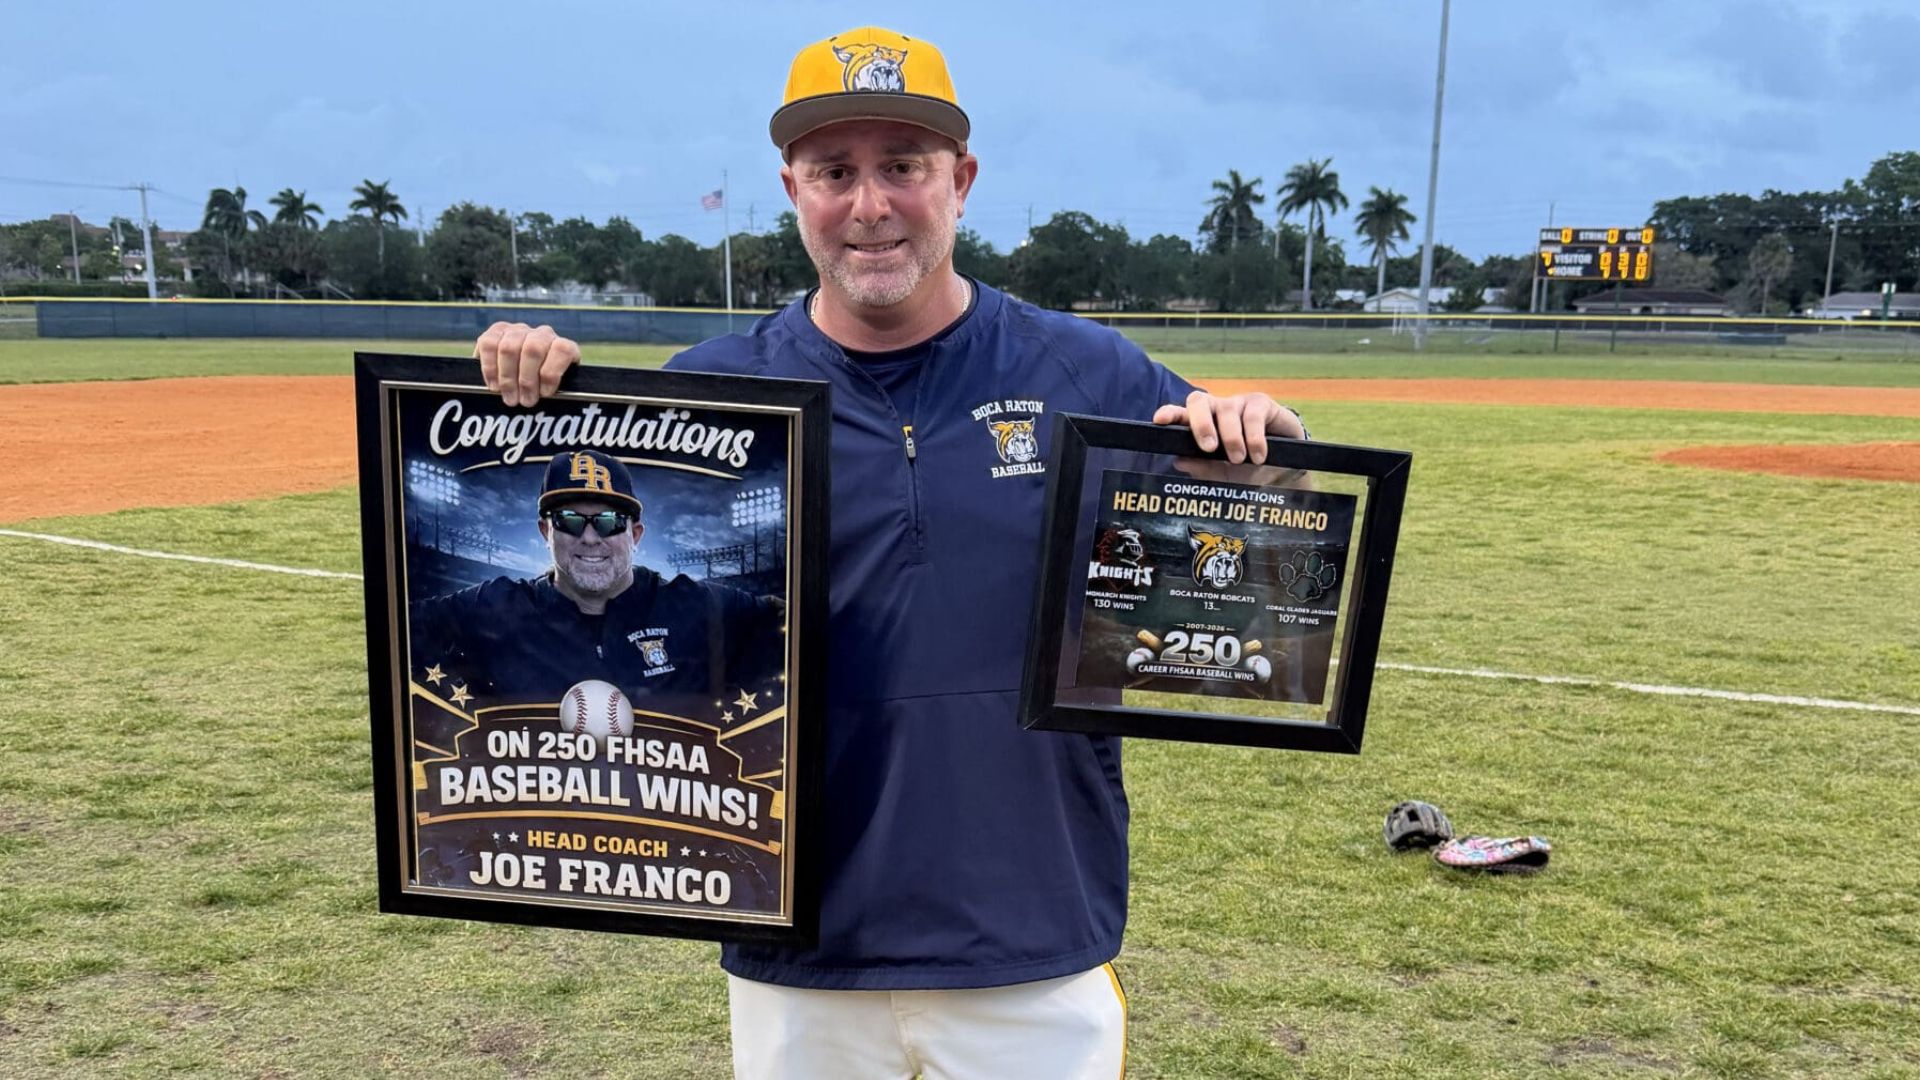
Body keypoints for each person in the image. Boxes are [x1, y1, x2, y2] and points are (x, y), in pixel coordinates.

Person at [473, 26, 1307, 1079]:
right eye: (834, 171)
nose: (869, 204)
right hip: (800, 942)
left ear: (961, 181)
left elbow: (1263, 559)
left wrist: (1270, 458)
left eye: (903, 166)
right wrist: (535, 395)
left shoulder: (1086, 370)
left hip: (1031, 933)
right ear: (793, 190)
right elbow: (591, 563)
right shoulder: (710, 398)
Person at [410, 448, 782, 723]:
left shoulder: (697, 606)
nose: (590, 538)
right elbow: (398, 624)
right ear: (546, 531)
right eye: (569, 520)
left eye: (609, 521)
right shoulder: (496, 607)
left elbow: (792, 620)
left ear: (636, 534)